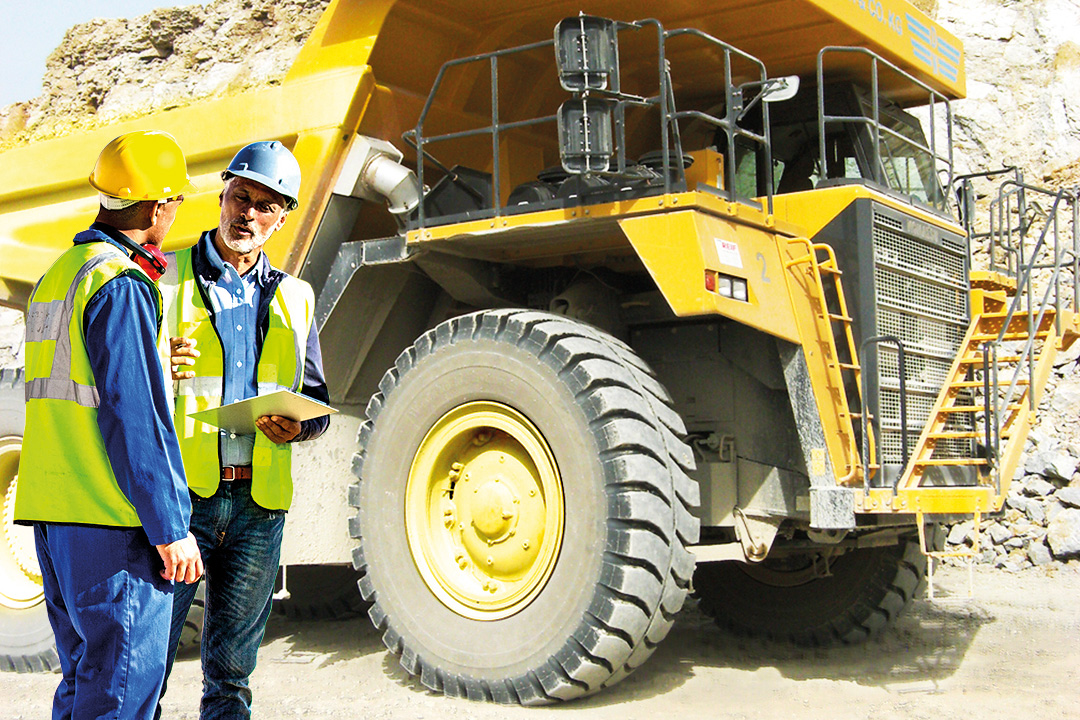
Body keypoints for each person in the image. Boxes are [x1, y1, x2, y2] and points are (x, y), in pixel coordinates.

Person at [15, 130, 204, 720]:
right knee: (120, 691)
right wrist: (170, 527)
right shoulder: (120, 283)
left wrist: (148, 356)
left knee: (83, 683)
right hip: (110, 524)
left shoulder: (63, 271)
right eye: (174, 204)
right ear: (156, 207)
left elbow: (77, 387)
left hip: (56, 517)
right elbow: (133, 419)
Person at [157, 140, 330, 719]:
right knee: (148, 661)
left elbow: (319, 403)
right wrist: (160, 357)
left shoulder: (297, 297)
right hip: (183, 502)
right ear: (222, 193)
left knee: (232, 676)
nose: (248, 214)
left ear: (281, 219)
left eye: (265, 206)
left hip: (258, 505)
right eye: (241, 197)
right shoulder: (162, 278)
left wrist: (297, 429)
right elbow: (122, 387)